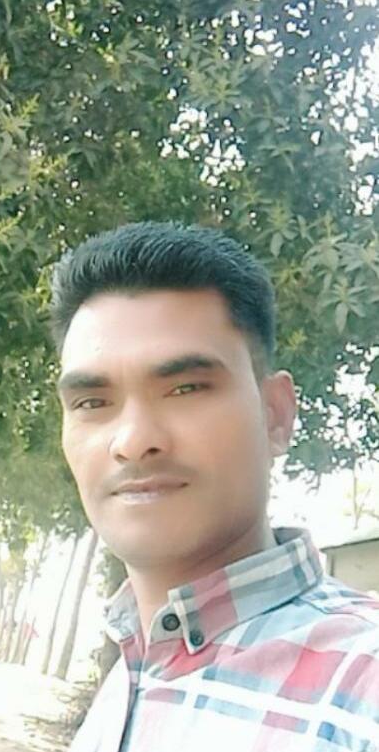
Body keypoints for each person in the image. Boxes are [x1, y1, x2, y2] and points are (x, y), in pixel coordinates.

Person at [49, 222, 379, 751]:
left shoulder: (362, 687)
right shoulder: (132, 669)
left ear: (276, 415)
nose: (133, 441)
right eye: (92, 402)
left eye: (185, 388)